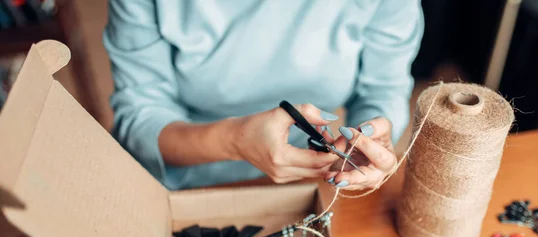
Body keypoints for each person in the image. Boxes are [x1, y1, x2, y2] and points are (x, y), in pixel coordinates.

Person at [104, 0, 423, 191]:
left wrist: (371, 138)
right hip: (186, 181)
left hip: (319, 181)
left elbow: (383, 87)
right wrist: (232, 140)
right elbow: (140, 117)